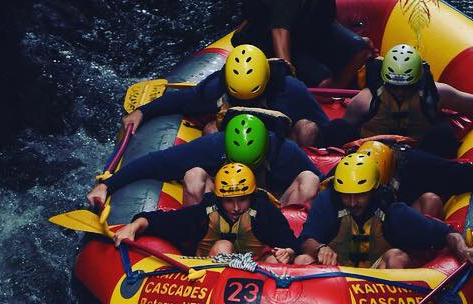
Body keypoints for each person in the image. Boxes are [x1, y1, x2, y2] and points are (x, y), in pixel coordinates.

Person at [328, 44, 473, 157]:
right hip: (371, 154)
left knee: (442, 135)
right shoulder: (363, 102)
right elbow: (346, 136)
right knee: (336, 128)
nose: (401, 93)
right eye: (395, 87)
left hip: (419, 154)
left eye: (406, 87)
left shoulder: (438, 94)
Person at [87, 112, 322, 210]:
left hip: (271, 215)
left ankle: (286, 249)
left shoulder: (286, 151)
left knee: (309, 180)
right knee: (194, 175)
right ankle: (196, 244)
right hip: (220, 213)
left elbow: (324, 187)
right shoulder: (214, 145)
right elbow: (156, 162)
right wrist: (107, 185)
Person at [294, 151, 473, 268]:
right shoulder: (328, 202)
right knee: (302, 260)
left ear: (373, 190)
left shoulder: (391, 210)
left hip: (378, 281)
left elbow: (446, 234)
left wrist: (462, 249)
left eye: (360, 195)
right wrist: (320, 248)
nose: (352, 202)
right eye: (346, 195)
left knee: (396, 257)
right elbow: (305, 240)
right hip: (335, 272)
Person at [123, 44, 328, 144]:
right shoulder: (215, 89)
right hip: (236, 143)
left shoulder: (291, 89)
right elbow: (181, 100)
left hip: (279, 142)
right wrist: (142, 111)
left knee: (307, 129)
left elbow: (323, 124)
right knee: (211, 130)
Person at [110, 162, 298, 264]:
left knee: (275, 260)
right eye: (228, 201)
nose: (236, 208)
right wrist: (134, 226)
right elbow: (164, 221)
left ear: (252, 195)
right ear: (219, 199)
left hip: (253, 273)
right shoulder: (206, 212)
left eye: (242, 199)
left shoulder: (264, 211)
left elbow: (289, 242)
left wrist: (287, 252)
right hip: (207, 273)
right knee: (223, 246)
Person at [352, 137, 473, 217]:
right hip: (365, 226)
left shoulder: (415, 164)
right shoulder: (348, 172)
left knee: (430, 200)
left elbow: (459, 173)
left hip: (397, 222)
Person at [231, 0, 373, 88]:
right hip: (269, 39)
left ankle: (336, 90)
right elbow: (280, 32)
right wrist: (288, 74)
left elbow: (325, 17)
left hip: (306, 33)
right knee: (323, 80)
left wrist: (350, 39)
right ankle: (322, 96)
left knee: (361, 49)